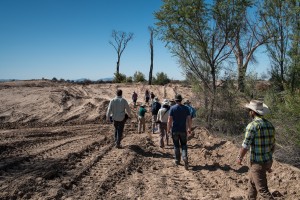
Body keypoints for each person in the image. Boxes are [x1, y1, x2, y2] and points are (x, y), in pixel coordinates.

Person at [236, 100, 275, 200]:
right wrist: (269, 161)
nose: (249, 112)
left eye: (249, 110)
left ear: (252, 112)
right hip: (267, 161)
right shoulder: (270, 125)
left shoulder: (252, 126)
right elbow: (272, 145)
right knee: (252, 184)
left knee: (263, 191)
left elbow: (245, 145)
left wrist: (240, 157)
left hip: (257, 163)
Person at [167, 94, 192, 170]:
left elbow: (169, 120)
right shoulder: (186, 108)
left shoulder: (172, 108)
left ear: (175, 100)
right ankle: (184, 157)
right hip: (183, 130)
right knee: (184, 144)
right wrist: (189, 128)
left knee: (176, 145)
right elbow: (189, 119)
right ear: (181, 100)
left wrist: (168, 129)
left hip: (175, 130)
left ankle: (177, 160)